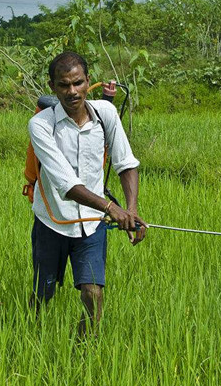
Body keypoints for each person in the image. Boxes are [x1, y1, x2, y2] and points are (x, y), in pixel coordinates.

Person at [28, 51, 147, 337]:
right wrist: (111, 209)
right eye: (64, 85)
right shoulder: (41, 125)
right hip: (53, 222)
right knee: (43, 293)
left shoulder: (105, 114)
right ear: (53, 87)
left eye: (78, 83)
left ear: (88, 81)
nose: (72, 92)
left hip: (92, 224)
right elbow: (67, 185)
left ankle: (86, 352)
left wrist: (129, 210)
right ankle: (30, 333)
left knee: (93, 294)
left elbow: (125, 163)